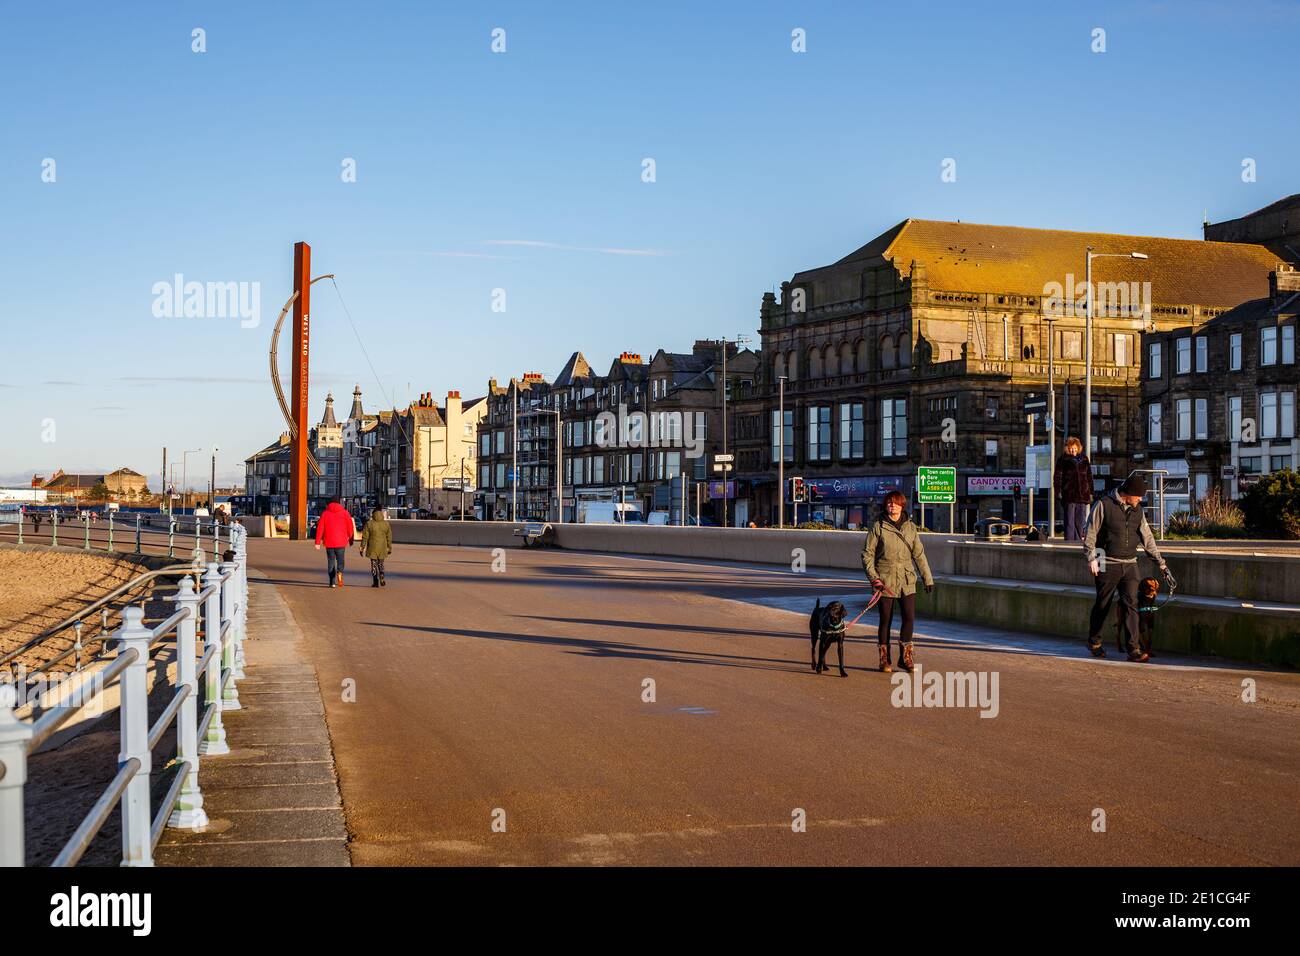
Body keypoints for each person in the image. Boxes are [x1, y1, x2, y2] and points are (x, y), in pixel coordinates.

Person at [1082, 474, 1175, 662]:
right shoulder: (1104, 505)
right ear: (1129, 494)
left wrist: (1162, 564)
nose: (1140, 500)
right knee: (1103, 603)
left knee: (1131, 604)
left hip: (1130, 564)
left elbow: (1148, 539)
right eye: (1138, 496)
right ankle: (1094, 641)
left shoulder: (1137, 511)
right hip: (1106, 561)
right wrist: (1092, 558)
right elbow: (1090, 533)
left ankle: (1134, 649)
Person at [861, 490, 935, 674]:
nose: (891, 506)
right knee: (886, 619)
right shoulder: (878, 526)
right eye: (888, 503)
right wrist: (874, 578)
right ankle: (884, 658)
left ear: (902, 505)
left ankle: (906, 658)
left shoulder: (910, 527)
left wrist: (927, 578)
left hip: (907, 579)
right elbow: (867, 554)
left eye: (895, 503)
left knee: (909, 617)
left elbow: (919, 554)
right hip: (885, 579)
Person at [1054, 436, 1093, 541]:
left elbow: (1089, 476)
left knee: (1080, 521)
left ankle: (1079, 541)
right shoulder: (1062, 459)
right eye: (1071, 448)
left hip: (1082, 495)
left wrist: (1090, 492)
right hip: (1069, 495)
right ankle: (1070, 541)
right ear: (1067, 448)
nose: (1073, 450)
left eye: (1075, 447)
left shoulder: (1084, 459)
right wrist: (1058, 492)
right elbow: (1057, 477)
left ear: (1078, 447)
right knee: (1070, 521)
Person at [314, 498, 356, 588]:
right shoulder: (345, 513)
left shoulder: (325, 513)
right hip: (341, 542)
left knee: (331, 562)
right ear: (339, 503)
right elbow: (350, 527)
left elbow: (320, 528)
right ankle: (340, 573)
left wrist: (317, 542)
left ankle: (332, 582)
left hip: (329, 542)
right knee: (340, 561)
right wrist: (351, 540)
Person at [359, 508, 392, 587]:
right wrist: (389, 547)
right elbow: (389, 537)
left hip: (372, 547)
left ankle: (375, 581)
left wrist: (362, 547)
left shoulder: (369, 524)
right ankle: (382, 575)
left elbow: (365, 537)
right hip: (382, 547)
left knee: (374, 564)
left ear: (373, 514)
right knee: (381, 563)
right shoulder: (386, 524)